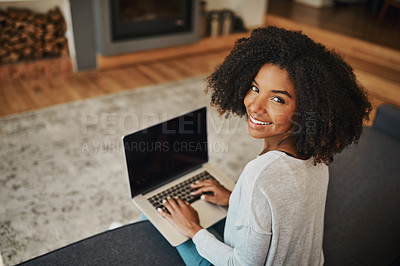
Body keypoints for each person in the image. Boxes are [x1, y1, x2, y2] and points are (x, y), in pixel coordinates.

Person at [157, 26, 372, 265]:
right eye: (255, 88)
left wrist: (193, 228)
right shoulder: (316, 156)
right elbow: (285, 208)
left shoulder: (260, 174)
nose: (255, 106)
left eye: (277, 99)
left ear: (307, 109)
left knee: (159, 218)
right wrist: (234, 199)